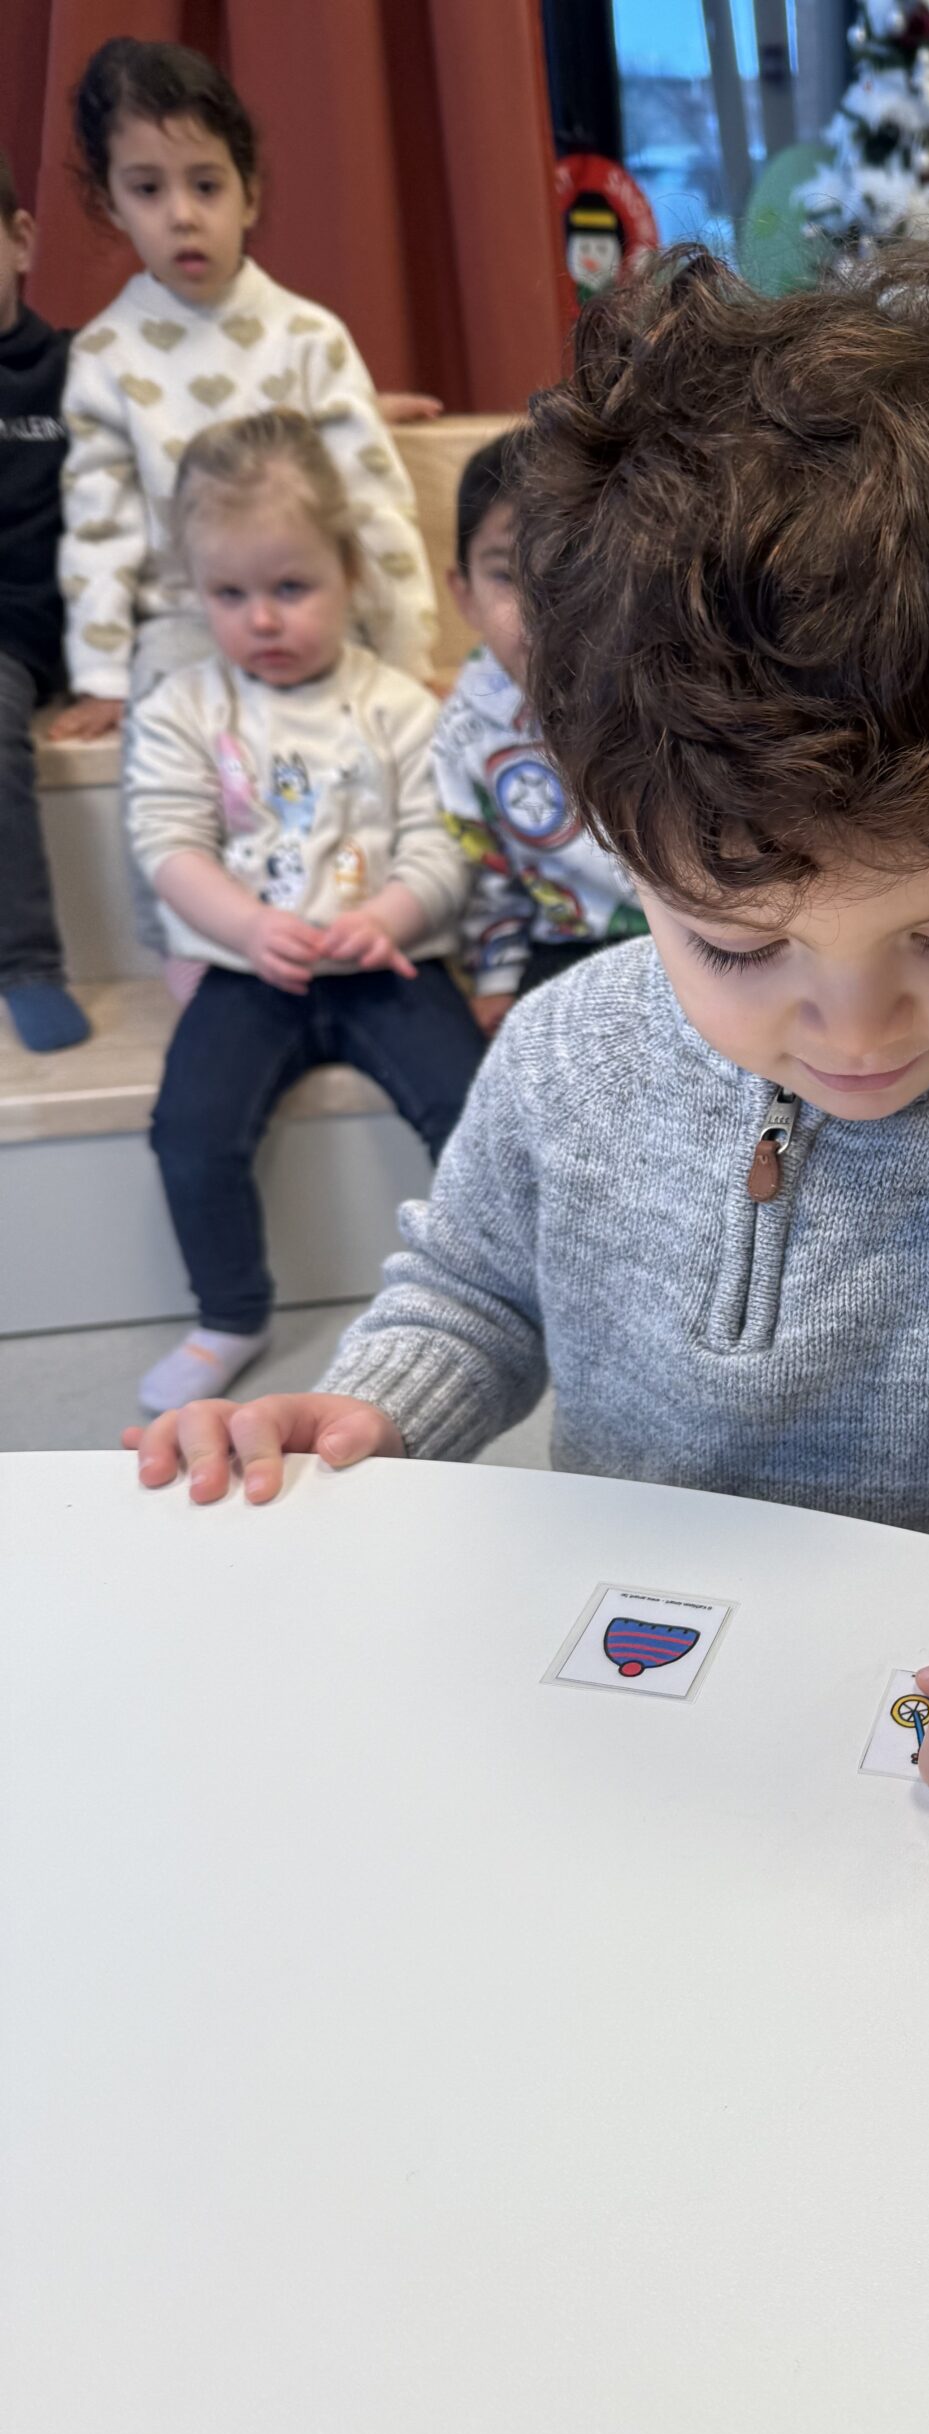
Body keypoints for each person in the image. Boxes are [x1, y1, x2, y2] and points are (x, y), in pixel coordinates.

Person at [126, 248, 929, 1822]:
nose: (855, 1027)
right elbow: (471, 1294)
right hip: (621, 1711)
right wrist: (381, 1405)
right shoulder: (560, 1054)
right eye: (740, 947)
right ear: (621, 850)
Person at [47, 38, 435, 961]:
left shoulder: (309, 337)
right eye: (147, 189)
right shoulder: (102, 357)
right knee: (165, 764)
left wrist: (408, 648)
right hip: (187, 618)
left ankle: (374, 926)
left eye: (207, 185)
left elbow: (372, 504)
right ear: (110, 203)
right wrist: (102, 674)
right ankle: (192, 951)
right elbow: (97, 526)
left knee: (370, 743)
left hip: (314, 604)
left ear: (250, 194)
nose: (182, 215)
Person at [125, 409, 481, 1416]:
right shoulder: (185, 708)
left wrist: (395, 915)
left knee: (473, 1110)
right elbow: (168, 844)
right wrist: (244, 926)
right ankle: (230, 1314)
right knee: (190, 1130)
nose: (263, 621)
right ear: (198, 593)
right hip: (252, 971)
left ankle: (491, 1289)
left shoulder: (400, 706)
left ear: (350, 574)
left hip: (387, 964)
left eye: (291, 588)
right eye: (229, 595)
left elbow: (444, 842)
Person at [435, 431, 649, 1034]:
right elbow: (486, 865)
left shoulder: (662, 688)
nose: (540, 608)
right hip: (565, 944)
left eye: (569, 566)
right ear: (465, 595)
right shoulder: (466, 731)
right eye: (506, 575)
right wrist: (496, 975)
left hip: (689, 933)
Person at [0, 150, 89, 1052]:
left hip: (62, 623)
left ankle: (26, 960)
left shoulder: (80, 366)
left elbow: (193, 425)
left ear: (20, 240)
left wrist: (353, 407)